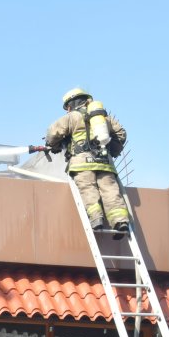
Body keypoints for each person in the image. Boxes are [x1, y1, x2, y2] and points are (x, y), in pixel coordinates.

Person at [45, 88, 130, 234]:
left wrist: (53, 145)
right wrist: (113, 150)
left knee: (88, 189)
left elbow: (53, 132)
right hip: (104, 162)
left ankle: (96, 219)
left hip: (82, 162)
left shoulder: (71, 117)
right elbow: (121, 134)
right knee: (110, 191)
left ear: (70, 105)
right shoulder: (103, 118)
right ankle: (120, 221)